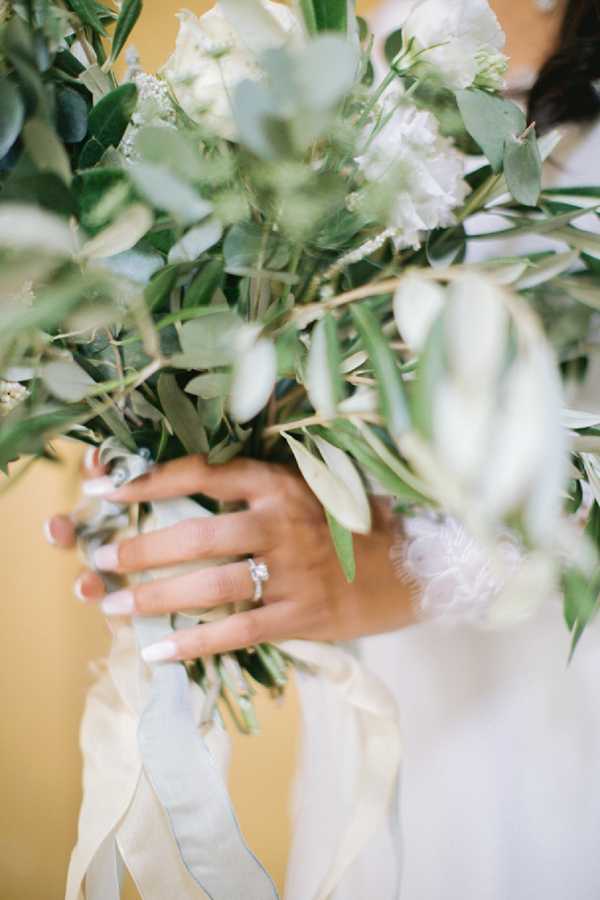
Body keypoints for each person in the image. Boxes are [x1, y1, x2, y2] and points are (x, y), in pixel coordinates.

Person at [45, 1, 600, 897]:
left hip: (560, 732)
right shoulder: (315, 73)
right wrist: (174, 480)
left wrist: (399, 568)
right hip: (381, 755)